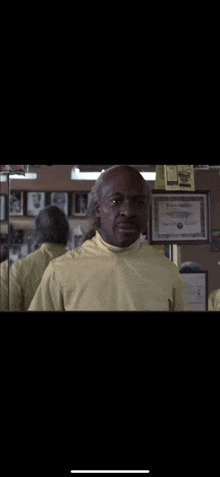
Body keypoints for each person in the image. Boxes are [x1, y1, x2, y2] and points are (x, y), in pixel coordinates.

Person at [28, 165, 186, 311]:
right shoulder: (61, 271)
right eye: (116, 201)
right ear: (97, 209)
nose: (128, 211)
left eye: (138, 201)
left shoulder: (167, 271)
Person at [8, 206, 70, 311]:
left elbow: (12, 307)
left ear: (38, 233)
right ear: (66, 232)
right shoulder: (81, 265)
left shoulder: (20, 267)